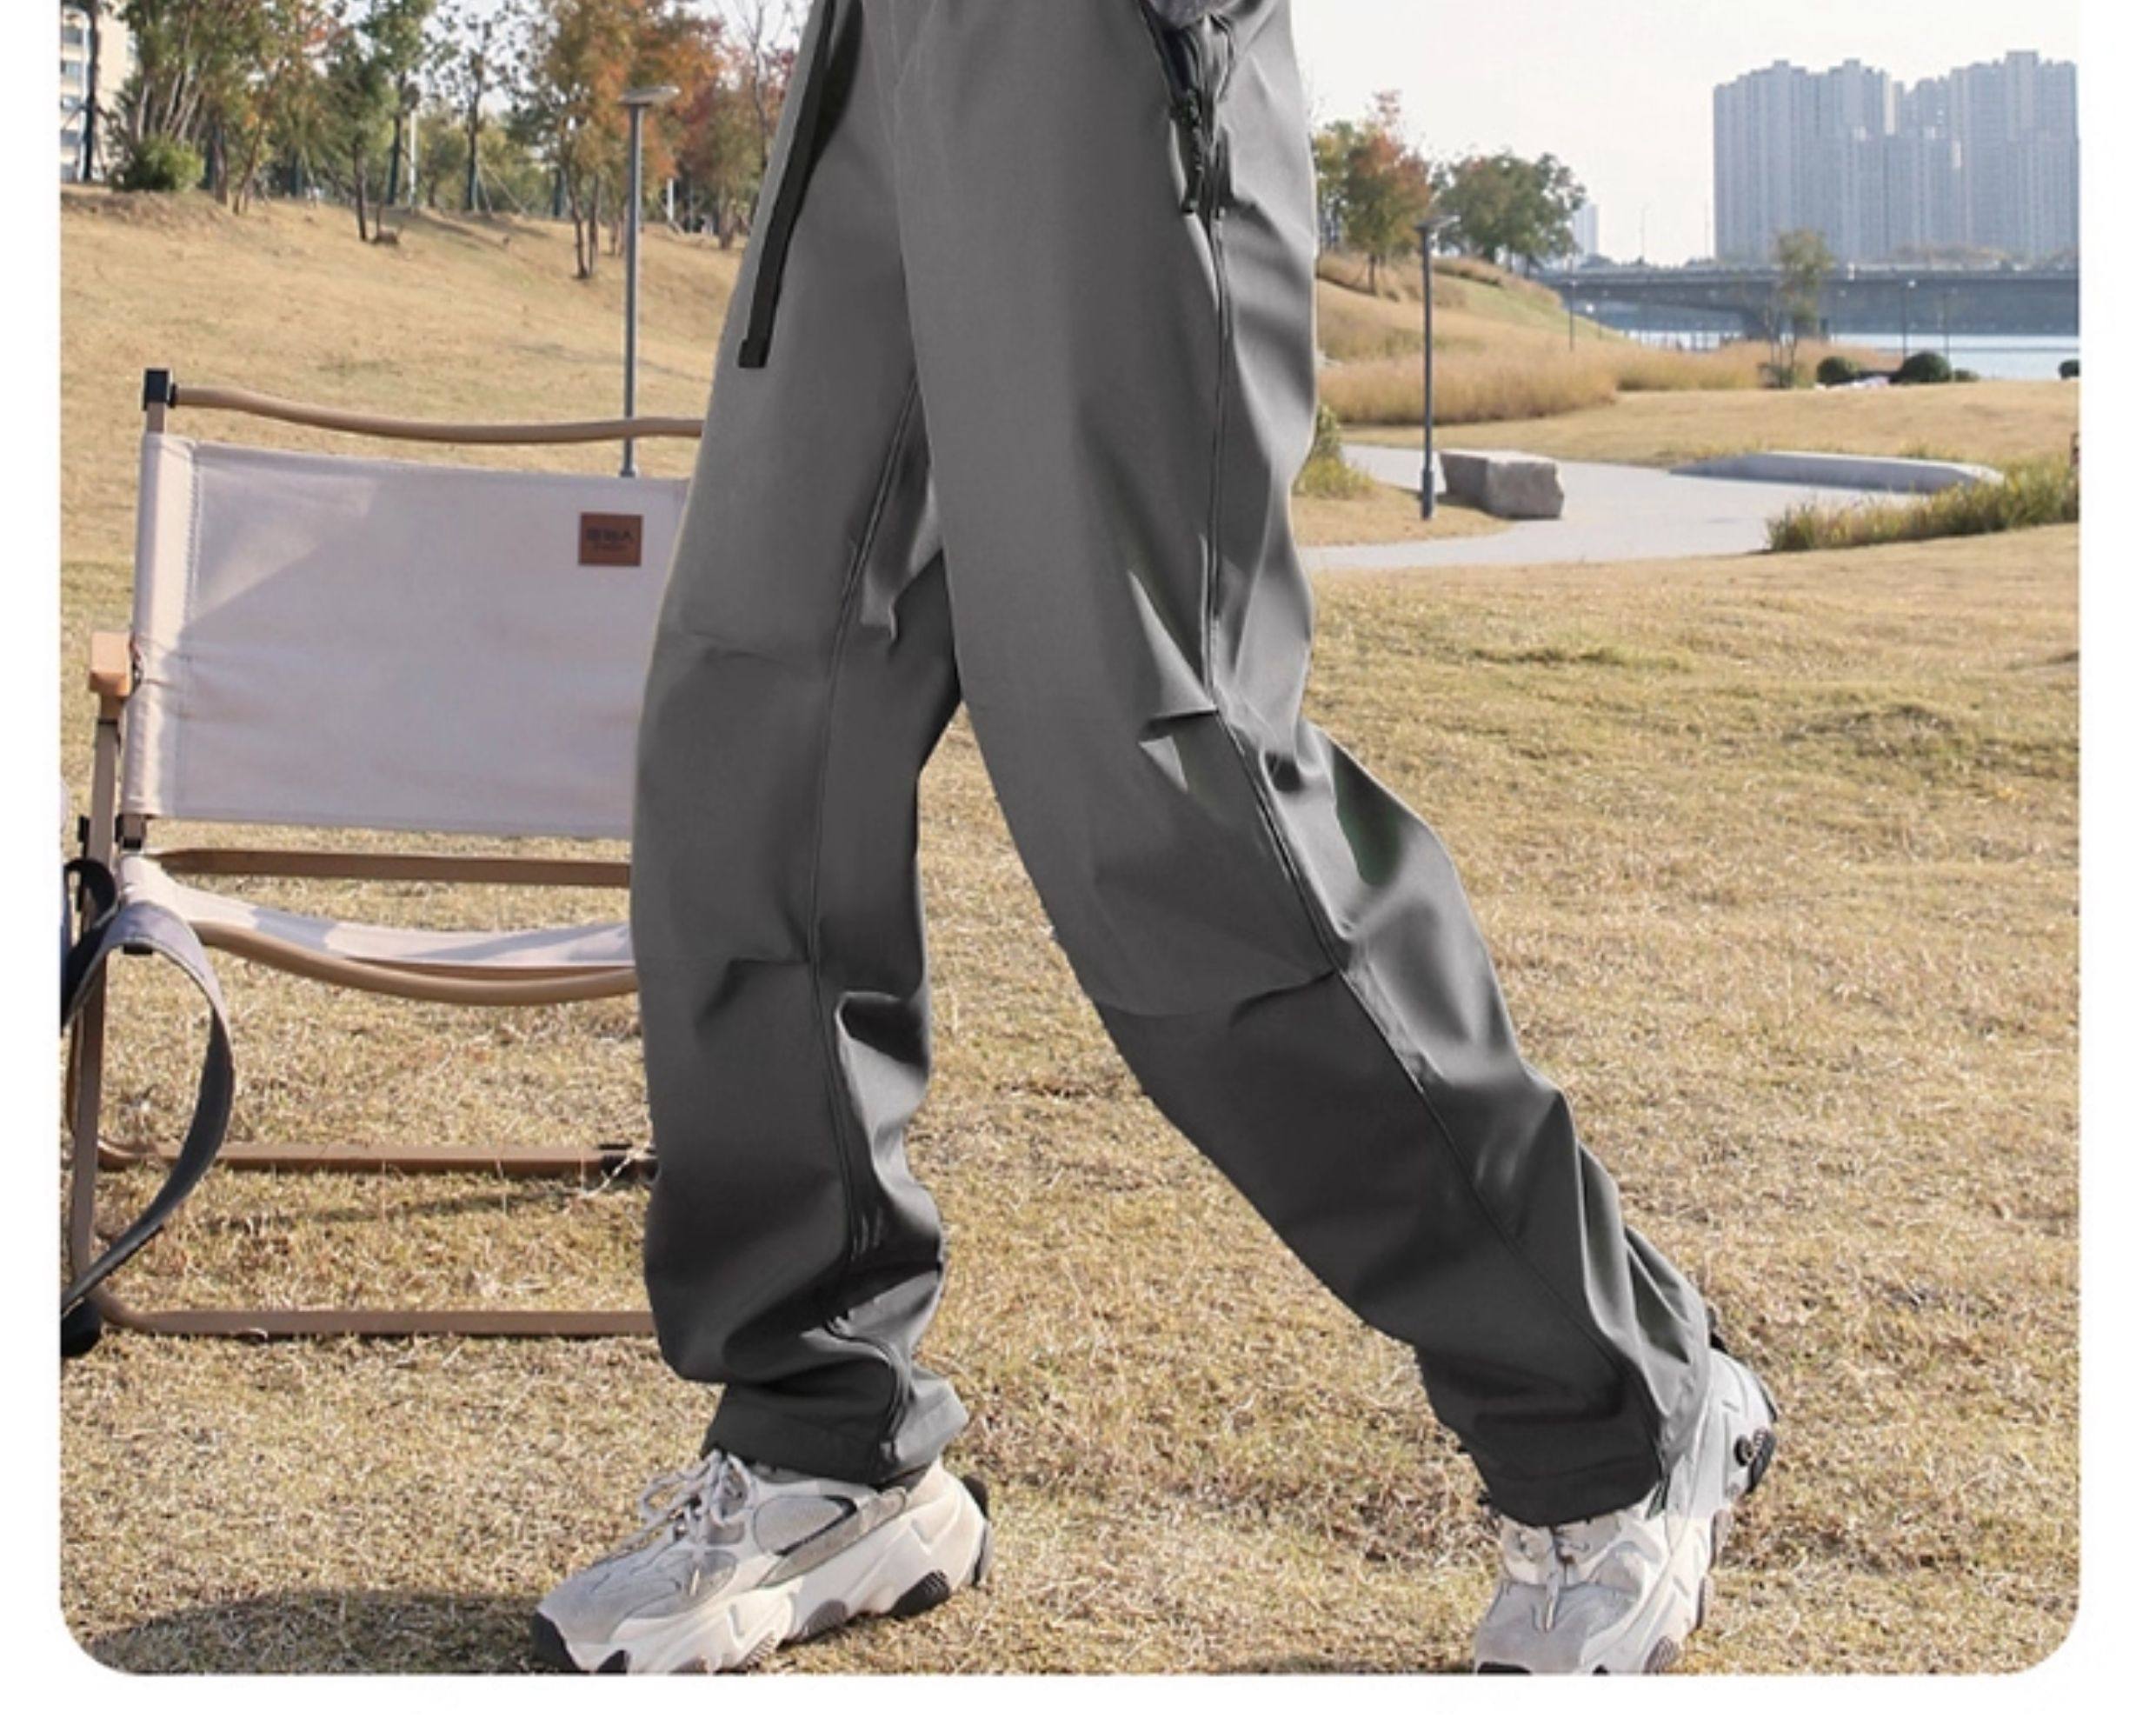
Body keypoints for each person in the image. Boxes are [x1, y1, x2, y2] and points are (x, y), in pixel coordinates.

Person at [533, 0, 1775, 1676]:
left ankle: (1621, 1397)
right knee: (750, 725)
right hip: (870, 60)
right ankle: (822, 1434)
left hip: (1097, 49)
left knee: (1154, 772)